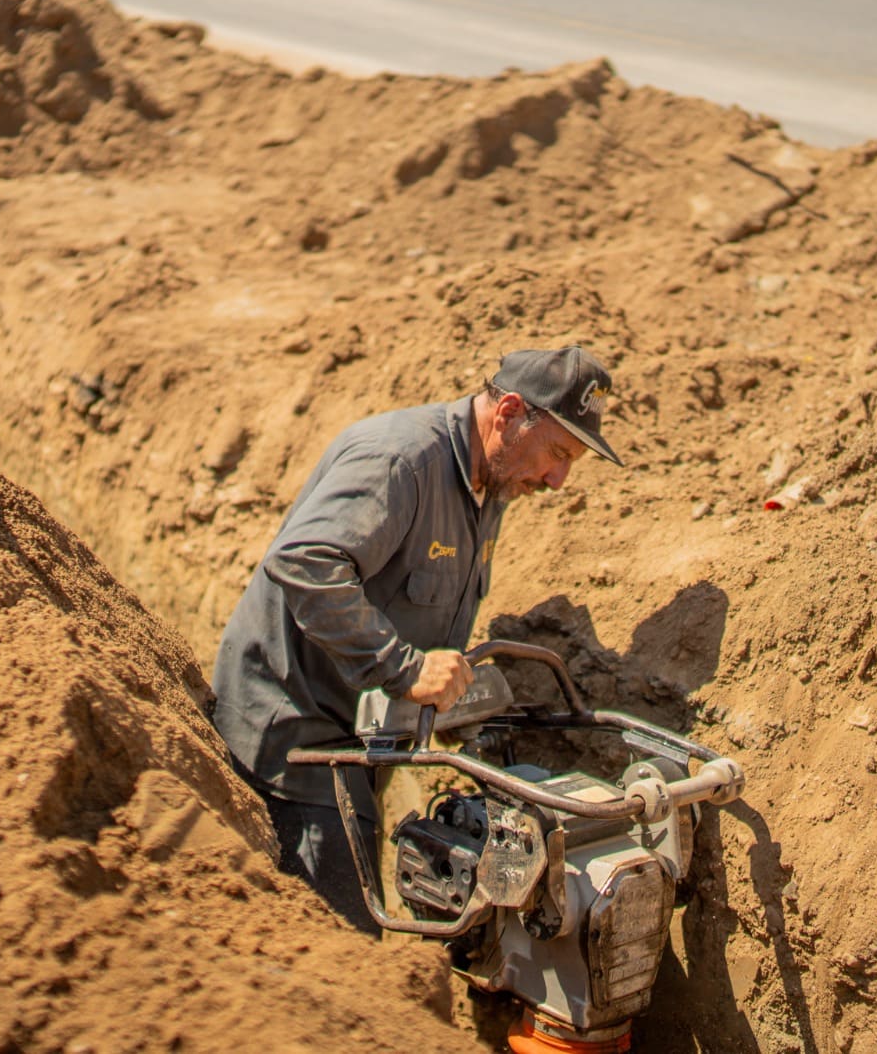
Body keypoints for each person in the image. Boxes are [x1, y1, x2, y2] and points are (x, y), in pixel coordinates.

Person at [212, 345, 622, 930]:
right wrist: (403, 668)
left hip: (357, 744)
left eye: (571, 461)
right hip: (294, 743)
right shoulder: (403, 461)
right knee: (340, 957)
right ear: (508, 413)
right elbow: (305, 562)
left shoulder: (492, 481)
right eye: (558, 453)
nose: (559, 480)